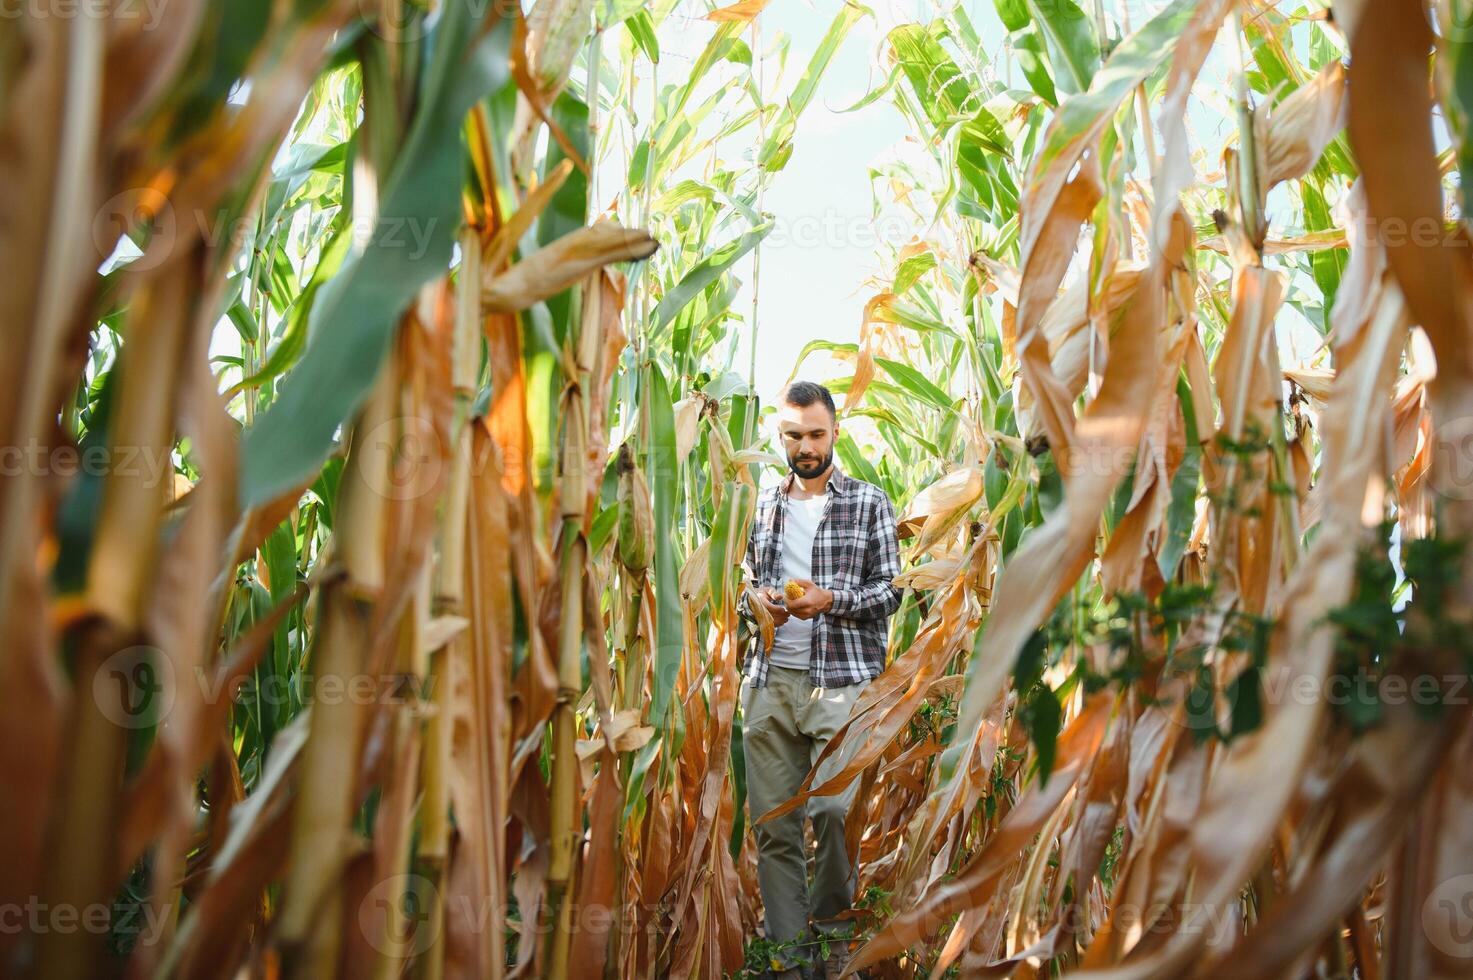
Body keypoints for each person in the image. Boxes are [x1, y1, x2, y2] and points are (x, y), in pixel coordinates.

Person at [739, 380, 901, 979]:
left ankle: (834, 950)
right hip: (770, 681)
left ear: (835, 432)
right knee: (776, 828)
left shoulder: (868, 503)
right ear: (780, 436)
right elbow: (740, 587)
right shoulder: (761, 505)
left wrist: (832, 600)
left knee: (833, 811)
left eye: (815, 434)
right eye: (793, 435)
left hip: (840, 681)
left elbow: (892, 592)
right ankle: (788, 963)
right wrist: (757, 603)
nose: (804, 446)